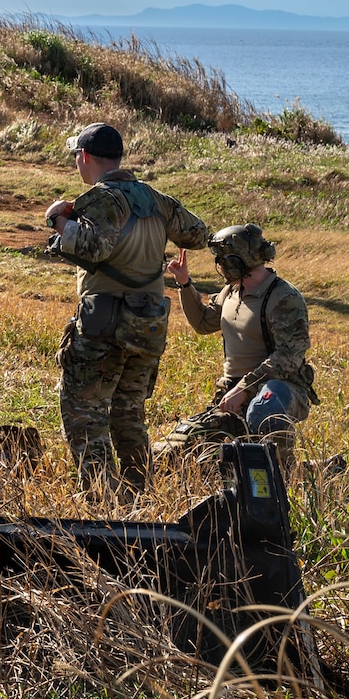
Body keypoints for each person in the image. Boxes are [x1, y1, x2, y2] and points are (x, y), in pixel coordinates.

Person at [46, 121, 211, 498]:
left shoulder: (102, 198)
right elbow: (198, 234)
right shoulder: (155, 199)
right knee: (128, 413)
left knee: (84, 413)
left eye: (76, 156)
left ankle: (102, 500)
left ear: (84, 157)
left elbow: (93, 249)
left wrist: (58, 220)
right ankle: (139, 496)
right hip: (147, 327)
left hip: (104, 326)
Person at [160, 224, 317, 464]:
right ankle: (309, 470)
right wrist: (184, 283)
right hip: (232, 395)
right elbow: (203, 322)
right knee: (178, 452)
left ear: (237, 260)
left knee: (264, 410)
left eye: (222, 259)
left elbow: (288, 359)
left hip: (280, 389)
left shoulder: (284, 298)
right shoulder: (230, 292)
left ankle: (285, 474)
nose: (220, 265)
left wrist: (244, 389)